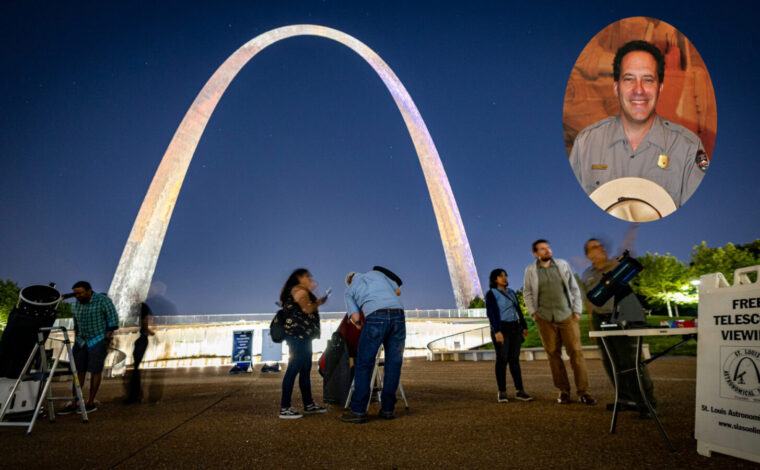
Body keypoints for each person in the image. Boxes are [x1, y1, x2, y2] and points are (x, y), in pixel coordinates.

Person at [570, 40, 707, 208]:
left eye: (648, 80)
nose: (639, 90)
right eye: (629, 79)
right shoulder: (585, 145)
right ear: (616, 87)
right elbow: (572, 209)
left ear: (660, 87)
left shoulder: (688, 149)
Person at [581, 238, 655, 418]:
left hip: (622, 317)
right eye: (595, 247)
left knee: (631, 361)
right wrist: (592, 325)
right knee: (611, 362)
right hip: (601, 320)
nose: (601, 248)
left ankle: (647, 403)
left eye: (601, 245)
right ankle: (624, 398)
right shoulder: (586, 274)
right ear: (589, 255)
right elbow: (590, 302)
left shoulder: (616, 265)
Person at [523, 240, 596, 405]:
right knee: (553, 356)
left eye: (548, 247)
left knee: (576, 354)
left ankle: (584, 392)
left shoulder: (562, 265)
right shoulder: (531, 270)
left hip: (566, 316)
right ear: (536, 254)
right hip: (544, 318)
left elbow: (573, 287)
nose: (547, 251)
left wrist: (577, 310)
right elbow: (527, 292)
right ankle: (563, 391)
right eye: (543, 249)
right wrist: (533, 313)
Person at [341, 268, 405, 423]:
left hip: (376, 317)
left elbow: (355, 317)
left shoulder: (349, 291)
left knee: (364, 364)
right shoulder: (378, 274)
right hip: (398, 315)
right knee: (394, 363)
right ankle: (388, 410)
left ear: (350, 281)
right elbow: (398, 292)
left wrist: (359, 324)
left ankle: (358, 411)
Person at [59, 281, 119, 414]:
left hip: (98, 339)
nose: (77, 296)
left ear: (89, 291)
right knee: (78, 371)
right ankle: (75, 401)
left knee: (95, 370)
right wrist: (76, 336)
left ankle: (91, 402)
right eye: (75, 294)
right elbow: (76, 323)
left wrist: (107, 337)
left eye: (80, 293)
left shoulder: (103, 301)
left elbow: (113, 319)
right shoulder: (75, 304)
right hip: (81, 341)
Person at [278, 268, 328, 419]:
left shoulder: (297, 290)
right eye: (307, 276)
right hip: (298, 336)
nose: (310, 279)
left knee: (305, 370)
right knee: (293, 369)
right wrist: (317, 302)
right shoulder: (299, 290)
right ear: (299, 278)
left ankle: (309, 404)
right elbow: (307, 309)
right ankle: (285, 408)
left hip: (302, 336)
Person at [485, 269, 532, 403]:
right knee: (502, 359)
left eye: (505, 275)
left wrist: (523, 325)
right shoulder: (491, 294)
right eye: (501, 276)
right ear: (495, 279)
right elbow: (491, 313)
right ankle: (502, 392)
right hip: (501, 328)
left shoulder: (511, 292)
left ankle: (520, 391)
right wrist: (497, 331)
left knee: (514, 360)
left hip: (514, 328)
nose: (504, 278)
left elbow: (518, 310)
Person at [124, 301, 155, 404]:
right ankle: (136, 395)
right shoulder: (141, 306)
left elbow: (145, 320)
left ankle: (135, 395)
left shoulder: (140, 307)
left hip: (140, 338)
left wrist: (148, 330)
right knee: (135, 368)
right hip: (141, 338)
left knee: (135, 368)